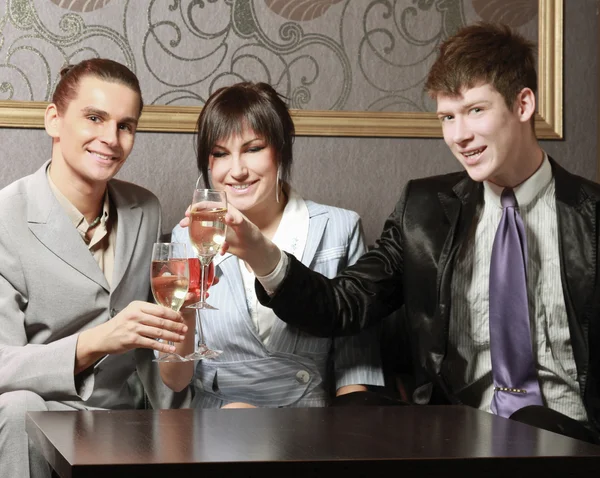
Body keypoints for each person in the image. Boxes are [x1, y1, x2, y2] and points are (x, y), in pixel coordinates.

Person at [213, 23, 600, 443]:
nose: (459, 135)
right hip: (458, 438)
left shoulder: (592, 214)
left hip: (575, 439)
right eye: (447, 117)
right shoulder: (424, 209)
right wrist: (261, 254)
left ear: (523, 104)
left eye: (475, 111)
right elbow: (342, 305)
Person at [0, 58, 190, 478]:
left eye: (126, 125)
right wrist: (99, 340)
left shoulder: (146, 209)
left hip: (126, 421)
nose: (111, 138)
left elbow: (159, 348)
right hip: (42, 418)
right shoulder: (4, 218)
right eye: (94, 118)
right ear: (54, 120)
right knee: (14, 407)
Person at [160, 81, 386, 408]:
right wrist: (181, 311)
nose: (237, 171)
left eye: (253, 149)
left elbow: (356, 370)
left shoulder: (339, 228)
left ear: (280, 149)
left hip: (309, 436)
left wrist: (346, 448)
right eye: (220, 154)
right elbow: (175, 379)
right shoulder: (187, 238)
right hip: (215, 436)